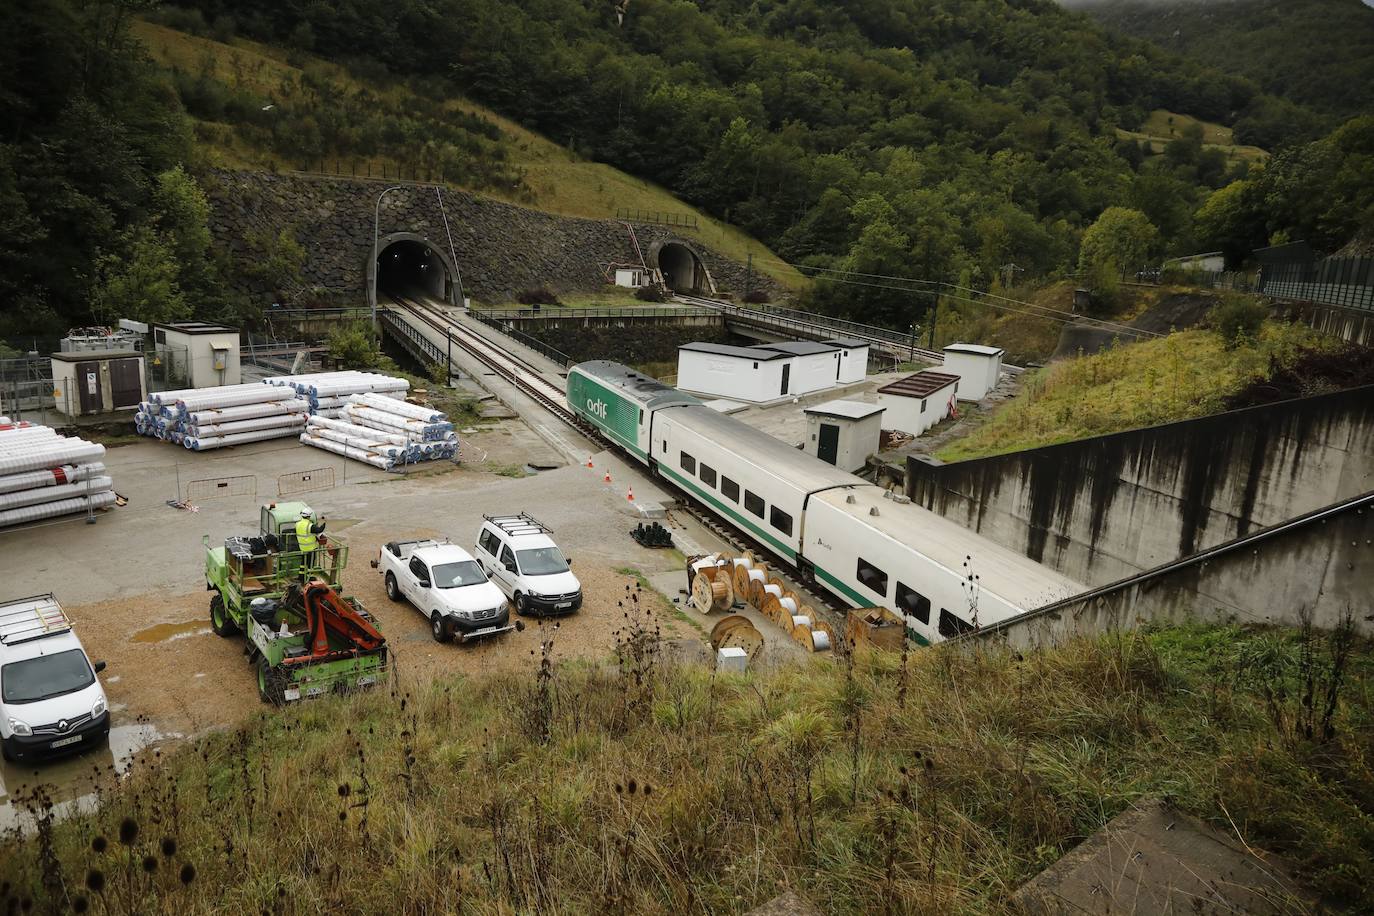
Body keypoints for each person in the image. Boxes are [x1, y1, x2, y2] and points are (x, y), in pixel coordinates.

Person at [295, 508, 326, 575]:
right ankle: (309, 577)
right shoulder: (309, 525)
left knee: (303, 563)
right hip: (310, 548)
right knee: (310, 564)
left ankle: (301, 576)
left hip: (302, 547)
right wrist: (324, 522)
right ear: (309, 516)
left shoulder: (297, 524)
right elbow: (319, 530)